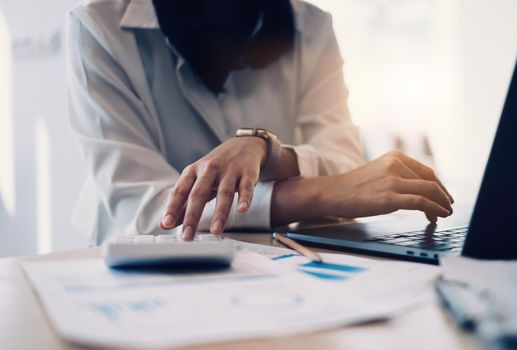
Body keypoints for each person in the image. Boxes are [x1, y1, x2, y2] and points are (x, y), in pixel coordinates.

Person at [67, 0, 453, 244]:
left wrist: (265, 151)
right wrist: (319, 194)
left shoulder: (311, 25)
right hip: (134, 268)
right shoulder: (98, 27)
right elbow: (146, 207)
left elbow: (343, 156)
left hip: (272, 264)